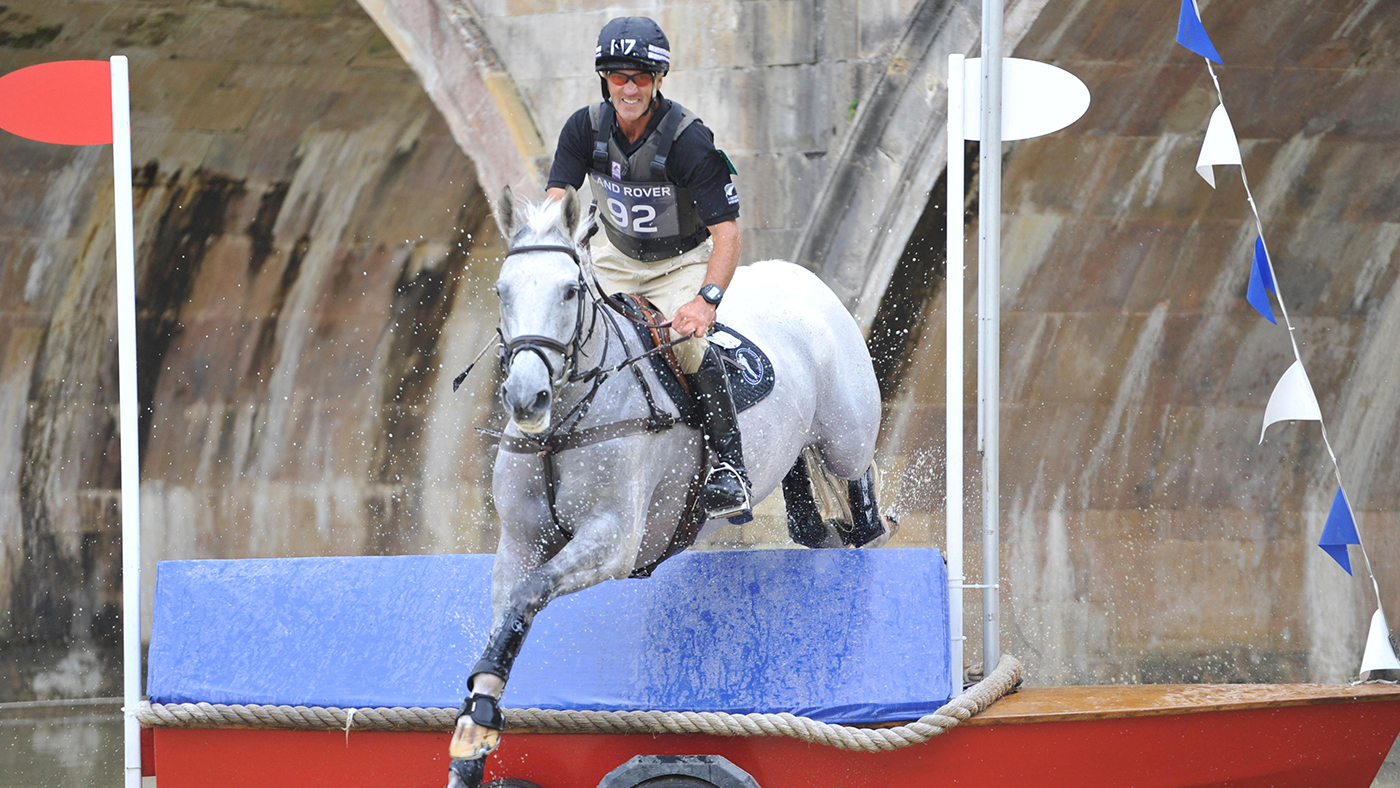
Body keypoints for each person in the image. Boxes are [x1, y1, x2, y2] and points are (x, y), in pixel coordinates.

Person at [545, 16, 751, 521]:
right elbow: (555, 202)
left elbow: (728, 234)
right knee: (558, 324)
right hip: (614, 257)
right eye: (619, 76)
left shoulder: (689, 141)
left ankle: (731, 468)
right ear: (605, 80)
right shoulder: (583, 128)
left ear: (658, 79)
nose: (630, 87)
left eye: (641, 76)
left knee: (688, 344)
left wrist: (706, 301)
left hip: (677, 263)